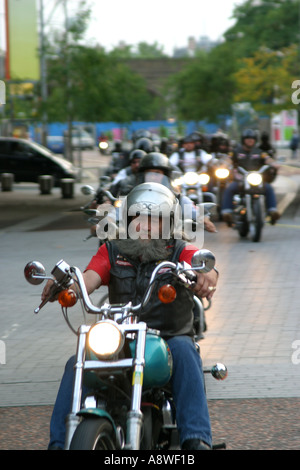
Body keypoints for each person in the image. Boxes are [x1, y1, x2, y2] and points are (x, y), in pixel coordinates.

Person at [42, 182, 219, 451]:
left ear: (168, 223)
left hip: (168, 338)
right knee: (75, 362)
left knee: (186, 351)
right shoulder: (112, 251)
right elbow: (89, 278)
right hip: (121, 339)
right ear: (128, 220)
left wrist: (204, 276)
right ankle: (58, 444)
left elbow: (205, 268)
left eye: (155, 219)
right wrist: (69, 287)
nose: (145, 226)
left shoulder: (179, 250)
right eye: (138, 217)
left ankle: (196, 440)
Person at [110, 151, 217, 233]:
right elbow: (116, 213)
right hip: (137, 239)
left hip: (169, 239)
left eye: (157, 173)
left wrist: (204, 219)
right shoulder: (134, 196)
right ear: (142, 175)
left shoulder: (174, 197)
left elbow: (193, 210)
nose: (153, 176)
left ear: (164, 176)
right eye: (149, 173)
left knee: (191, 255)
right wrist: (109, 221)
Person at [221, 129, 280, 225]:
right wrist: (225, 165)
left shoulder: (259, 152)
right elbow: (229, 160)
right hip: (241, 179)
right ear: (243, 140)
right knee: (230, 188)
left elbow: (268, 159)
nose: (250, 140)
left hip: (256, 179)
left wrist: (274, 164)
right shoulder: (236, 151)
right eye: (248, 138)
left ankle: (272, 211)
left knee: (269, 188)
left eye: (252, 139)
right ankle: (227, 212)